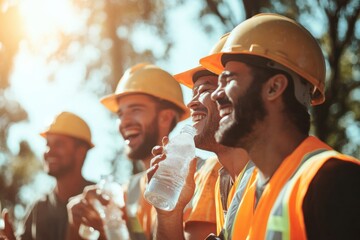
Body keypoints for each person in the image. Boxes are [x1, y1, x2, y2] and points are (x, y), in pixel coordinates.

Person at [199, 13, 360, 239]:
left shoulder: (334, 181)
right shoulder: (249, 196)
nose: (216, 94)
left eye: (229, 79)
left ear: (274, 87)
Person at [149, 34, 254, 240]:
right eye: (192, 94)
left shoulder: (265, 177)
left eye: (205, 89)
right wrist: (170, 214)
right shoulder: (225, 184)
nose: (192, 104)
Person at [66, 63, 189, 240]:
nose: (124, 122)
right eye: (120, 114)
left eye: (135, 110)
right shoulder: (127, 193)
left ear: (165, 117)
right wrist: (93, 228)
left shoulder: (200, 177)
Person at [1, 111, 95, 240]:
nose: (49, 152)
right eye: (47, 144)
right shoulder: (38, 208)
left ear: (81, 151)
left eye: (59, 144)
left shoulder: (98, 200)